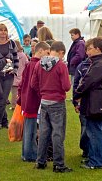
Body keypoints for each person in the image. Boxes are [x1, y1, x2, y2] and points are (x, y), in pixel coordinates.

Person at [31, 41, 72, 173]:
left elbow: (33, 84)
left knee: (43, 133)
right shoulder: (61, 66)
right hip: (57, 102)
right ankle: (58, 164)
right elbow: (66, 86)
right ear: (61, 52)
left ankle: (40, 161)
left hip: (44, 102)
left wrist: (43, 92)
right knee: (58, 134)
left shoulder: (39, 64)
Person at [75, 37, 102, 170]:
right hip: (94, 102)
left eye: (89, 48)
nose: (87, 51)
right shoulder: (100, 63)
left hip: (95, 103)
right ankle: (93, 158)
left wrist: (77, 93)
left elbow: (88, 82)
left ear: (98, 49)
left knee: (95, 131)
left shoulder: (99, 64)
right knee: (93, 130)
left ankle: (96, 161)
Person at [18, 41, 50, 162]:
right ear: (40, 51)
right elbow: (35, 84)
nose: (48, 55)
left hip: (26, 99)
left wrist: (20, 98)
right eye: (47, 52)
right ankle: (29, 154)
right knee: (31, 130)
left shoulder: (29, 64)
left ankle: (26, 152)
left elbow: (22, 82)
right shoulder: (37, 65)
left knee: (28, 128)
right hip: (33, 100)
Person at [0, 24, 19, 130]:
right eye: (1, 30)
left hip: (9, 74)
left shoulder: (11, 43)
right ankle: (4, 121)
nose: (3, 32)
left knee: (3, 99)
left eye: (5, 30)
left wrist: (15, 70)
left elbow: (16, 58)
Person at [72, 50, 92, 159]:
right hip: (83, 102)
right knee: (84, 127)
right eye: (88, 50)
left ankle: (92, 151)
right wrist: (75, 102)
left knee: (97, 128)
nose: (89, 52)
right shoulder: (82, 66)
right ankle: (85, 149)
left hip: (97, 102)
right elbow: (76, 84)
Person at [10, 40, 28, 110]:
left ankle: (14, 105)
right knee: (21, 92)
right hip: (22, 76)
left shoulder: (13, 56)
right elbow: (27, 63)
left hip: (14, 76)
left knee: (14, 93)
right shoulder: (23, 55)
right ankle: (21, 104)